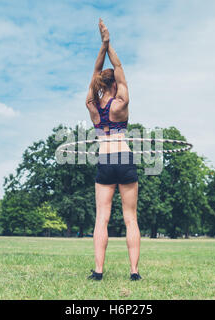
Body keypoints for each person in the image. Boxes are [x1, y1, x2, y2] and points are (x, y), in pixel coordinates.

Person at [85, 18, 141, 281]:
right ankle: (134, 272)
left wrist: (101, 47)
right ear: (114, 85)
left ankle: (98, 272)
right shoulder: (121, 102)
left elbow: (98, 71)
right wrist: (109, 45)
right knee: (130, 218)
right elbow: (118, 66)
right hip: (125, 158)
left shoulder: (92, 105)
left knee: (101, 219)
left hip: (105, 159)